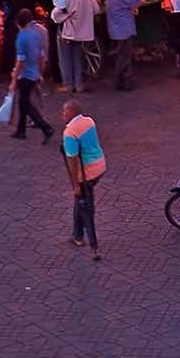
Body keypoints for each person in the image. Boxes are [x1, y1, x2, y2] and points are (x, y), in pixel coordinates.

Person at [61, 103, 104, 260]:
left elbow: (72, 162)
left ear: (71, 113)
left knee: (85, 205)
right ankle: (77, 235)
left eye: (64, 111)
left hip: (87, 174)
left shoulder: (70, 133)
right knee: (80, 202)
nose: (62, 114)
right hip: (100, 166)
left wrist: (75, 185)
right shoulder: (89, 121)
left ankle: (93, 244)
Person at [11, 9, 54, 141]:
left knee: (24, 103)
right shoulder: (36, 34)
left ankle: (44, 126)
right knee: (23, 101)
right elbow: (41, 56)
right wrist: (40, 72)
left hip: (24, 75)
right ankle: (21, 130)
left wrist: (14, 79)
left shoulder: (21, 37)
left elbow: (20, 61)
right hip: (34, 72)